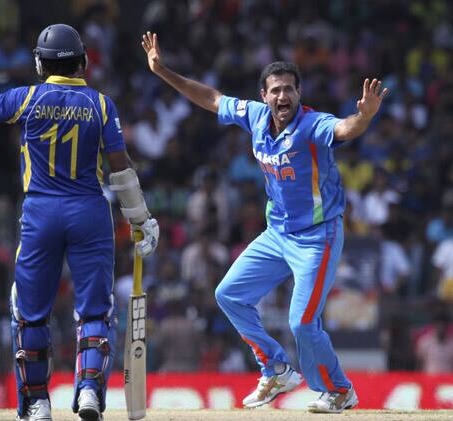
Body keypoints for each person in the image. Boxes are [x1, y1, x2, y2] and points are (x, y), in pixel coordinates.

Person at [142, 31, 388, 413]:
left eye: (289, 89)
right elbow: (210, 98)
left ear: (299, 93)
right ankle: (275, 370)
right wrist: (163, 71)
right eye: (275, 90)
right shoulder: (255, 117)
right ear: (264, 96)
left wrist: (366, 116)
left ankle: (340, 390)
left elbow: (345, 128)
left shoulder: (312, 125)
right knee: (228, 294)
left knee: (302, 323)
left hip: (318, 236)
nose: (282, 96)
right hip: (278, 234)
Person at [0, 25, 159, 421]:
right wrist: (140, 218)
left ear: (40, 63)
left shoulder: (25, 98)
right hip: (89, 213)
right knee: (95, 311)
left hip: (40, 213)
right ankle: (89, 395)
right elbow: (121, 168)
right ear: (82, 62)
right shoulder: (101, 104)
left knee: (29, 311)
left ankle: (37, 403)